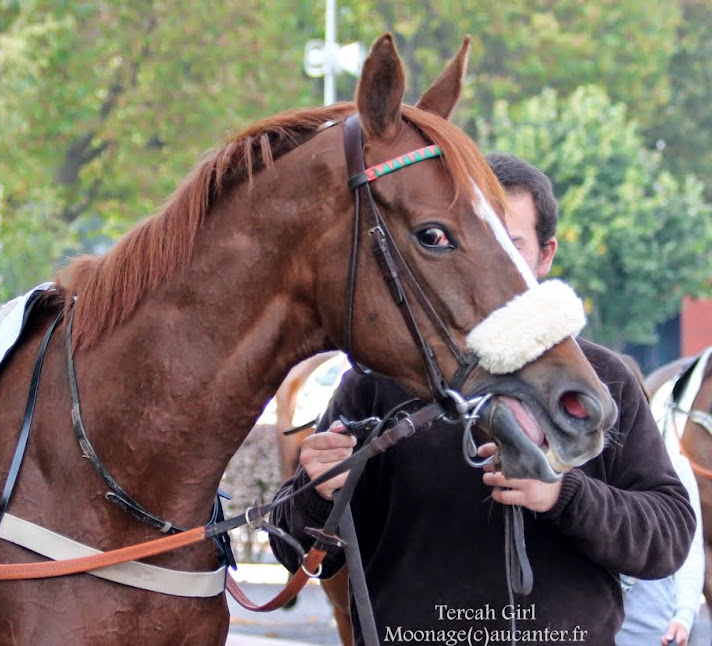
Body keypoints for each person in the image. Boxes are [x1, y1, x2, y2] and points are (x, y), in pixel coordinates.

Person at [269, 153, 696, 646]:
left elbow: (669, 536)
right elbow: (293, 548)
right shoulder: (377, 381)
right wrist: (318, 491)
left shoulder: (604, 380)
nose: (489, 271)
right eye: (473, 247)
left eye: (510, 248)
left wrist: (564, 496)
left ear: (545, 255)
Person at [615, 356, 705, 646]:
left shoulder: (673, 466)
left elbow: (690, 549)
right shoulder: (574, 473)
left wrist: (684, 614)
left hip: (654, 634)